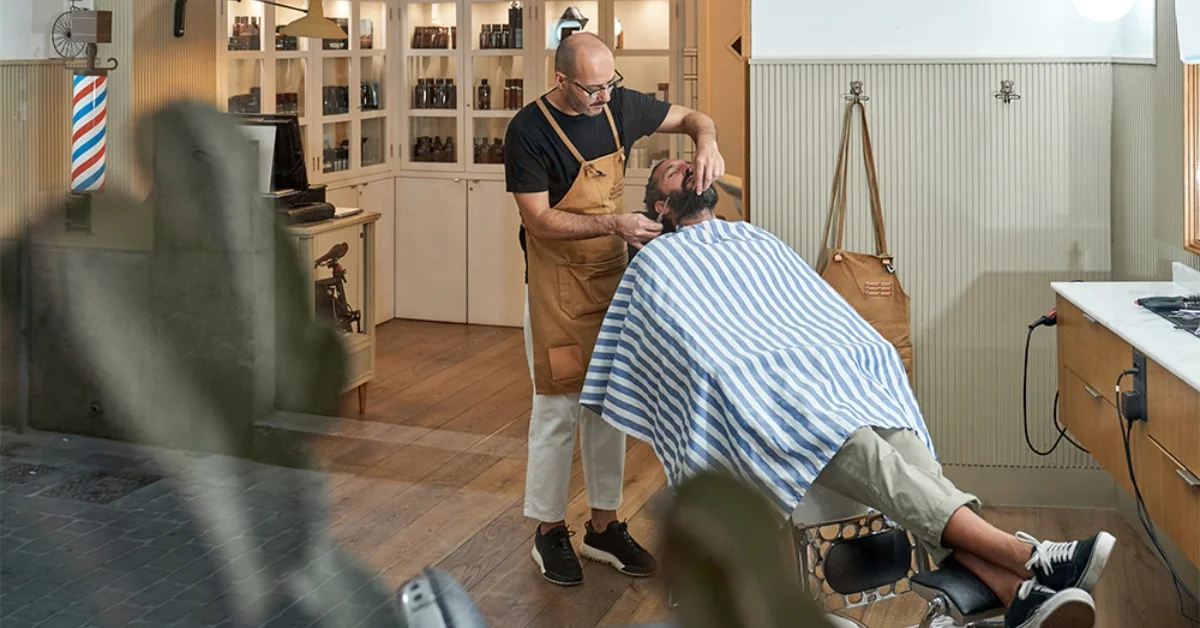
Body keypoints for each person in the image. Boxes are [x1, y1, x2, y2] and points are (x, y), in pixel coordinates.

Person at [581, 159, 1117, 628]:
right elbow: (684, 352)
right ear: (660, 205)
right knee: (863, 449)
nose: (689, 167)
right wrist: (747, 375)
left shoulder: (755, 239)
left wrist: (855, 355)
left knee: (906, 450)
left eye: (692, 161)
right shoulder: (656, 263)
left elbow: (814, 310)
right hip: (767, 401)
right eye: (675, 170)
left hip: (838, 381)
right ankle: (1029, 557)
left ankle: (1016, 592)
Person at [502, 33, 726, 586]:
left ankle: (604, 526)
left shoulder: (618, 105)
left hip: (611, 281)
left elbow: (696, 118)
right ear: (561, 81)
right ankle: (549, 531)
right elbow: (538, 220)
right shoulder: (528, 132)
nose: (605, 96)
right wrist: (614, 223)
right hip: (557, 289)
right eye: (592, 88)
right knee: (558, 410)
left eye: (610, 84)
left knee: (609, 408)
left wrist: (706, 143)